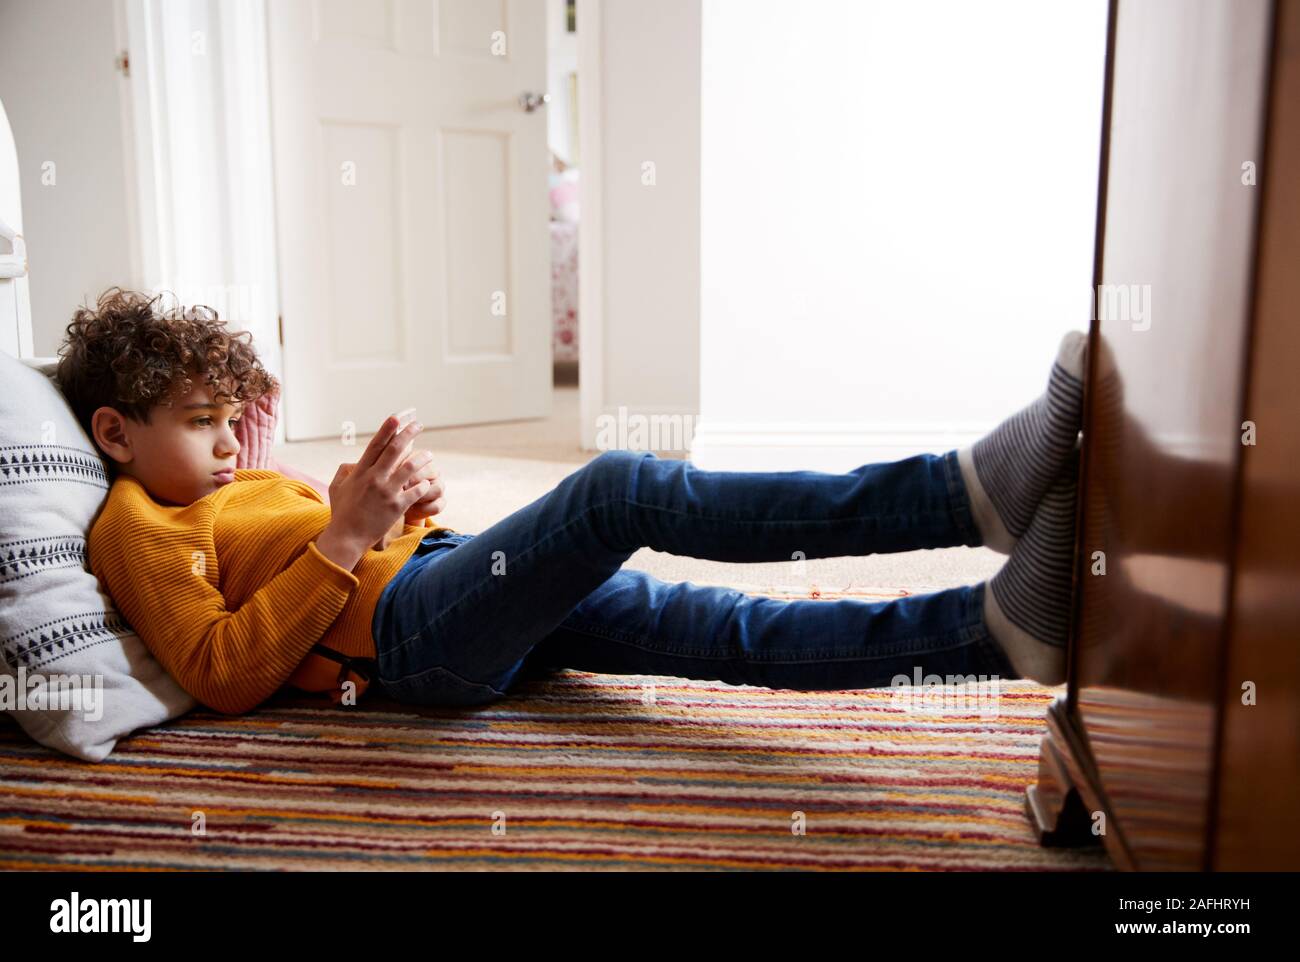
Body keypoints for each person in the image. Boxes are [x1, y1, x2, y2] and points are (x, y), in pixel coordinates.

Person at [64, 287, 1085, 716]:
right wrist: (342, 533)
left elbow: (348, 554)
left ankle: (990, 633)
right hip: (414, 642)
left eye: (233, 418)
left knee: (712, 623)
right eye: (203, 422)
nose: (229, 443)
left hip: (436, 586)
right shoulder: (136, 526)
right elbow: (220, 670)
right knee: (616, 489)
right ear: (116, 432)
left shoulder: (225, 486)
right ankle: (959, 496)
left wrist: (403, 512)